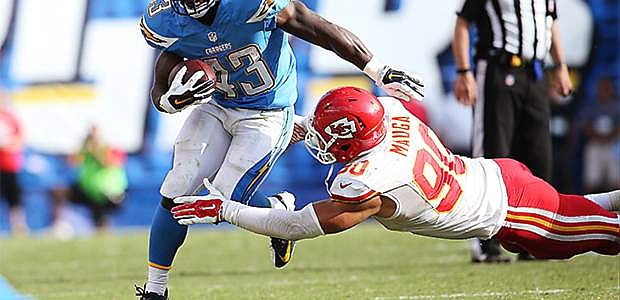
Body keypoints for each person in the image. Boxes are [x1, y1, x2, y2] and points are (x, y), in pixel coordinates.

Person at [137, 1, 425, 298]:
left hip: (266, 112)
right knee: (178, 185)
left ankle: (277, 211)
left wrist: (378, 70)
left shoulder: (249, 5)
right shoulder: (166, 20)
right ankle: (155, 289)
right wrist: (168, 101)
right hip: (217, 106)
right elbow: (162, 78)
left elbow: (316, 26)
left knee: (226, 195)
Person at [170, 87, 620, 266]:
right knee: (589, 209)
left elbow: (300, 225)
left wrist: (226, 208)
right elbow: (340, 125)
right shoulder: (388, 110)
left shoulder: (370, 180)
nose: (320, 143)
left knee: (604, 234)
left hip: (513, 213)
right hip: (501, 175)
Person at [452, 0, 574, 262]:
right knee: (493, 156)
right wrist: (464, 71)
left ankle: (535, 239)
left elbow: (549, 23)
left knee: (539, 158)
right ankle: (485, 243)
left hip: (536, 73)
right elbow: (463, 23)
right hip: (497, 69)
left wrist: (561, 65)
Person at [50, 125, 128, 234]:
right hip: (88, 190)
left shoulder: (110, 148)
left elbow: (108, 162)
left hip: (109, 193)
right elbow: (71, 161)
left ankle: (104, 232)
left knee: (100, 220)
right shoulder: (86, 148)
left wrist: (95, 150)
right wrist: (82, 147)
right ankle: (58, 225)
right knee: (59, 192)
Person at [581, 77, 620, 193]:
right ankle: (590, 208)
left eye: (607, 88)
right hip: (595, 144)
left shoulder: (617, 106)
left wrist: (609, 137)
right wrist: (600, 137)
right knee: (592, 181)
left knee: (615, 180)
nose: (604, 91)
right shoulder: (591, 106)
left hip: (614, 144)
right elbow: (586, 126)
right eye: (602, 88)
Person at [0, 87, 28, 236]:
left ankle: (18, 228)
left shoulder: (10, 117)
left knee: (14, 197)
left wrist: (7, 144)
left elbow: (21, 137)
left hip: (9, 163)